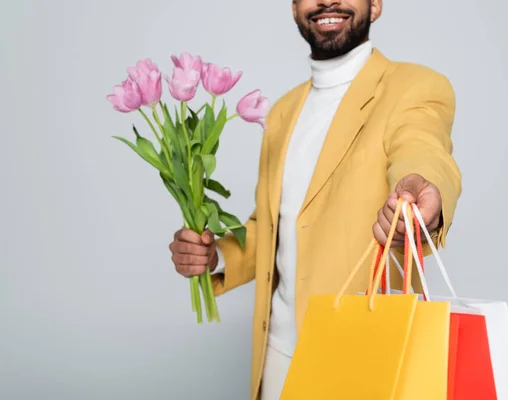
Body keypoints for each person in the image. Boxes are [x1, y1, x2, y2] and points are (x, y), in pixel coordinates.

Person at [168, 0, 462, 398]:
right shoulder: (282, 111)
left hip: (360, 352)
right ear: (294, 8)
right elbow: (273, 227)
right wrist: (215, 256)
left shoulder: (414, 86)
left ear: (374, 5)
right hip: (276, 355)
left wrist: (421, 183)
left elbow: (421, 145)